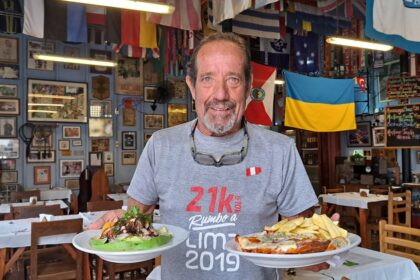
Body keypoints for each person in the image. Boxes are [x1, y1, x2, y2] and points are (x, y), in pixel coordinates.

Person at [90, 32, 323, 279]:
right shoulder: (161, 146)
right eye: (207, 79)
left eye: (233, 79)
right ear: (192, 86)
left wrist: (320, 247)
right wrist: (115, 228)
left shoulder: (280, 150)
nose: (220, 94)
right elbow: (135, 220)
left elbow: (300, 239)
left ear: (248, 86)